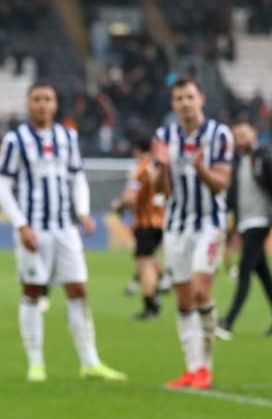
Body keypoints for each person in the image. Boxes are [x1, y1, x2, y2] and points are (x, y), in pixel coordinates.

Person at [0, 83, 126, 383]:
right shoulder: (15, 140)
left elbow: (77, 177)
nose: (42, 104)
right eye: (37, 99)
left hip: (65, 228)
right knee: (32, 291)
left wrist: (82, 211)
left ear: (55, 104)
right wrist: (21, 223)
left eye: (48, 99)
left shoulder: (68, 137)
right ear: (29, 104)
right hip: (34, 229)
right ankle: (36, 364)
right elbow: (2, 185)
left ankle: (90, 362)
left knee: (78, 289)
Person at [150, 78, 233, 389]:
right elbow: (161, 191)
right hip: (176, 226)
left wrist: (199, 168)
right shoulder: (163, 136)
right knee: (184, 299)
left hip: (210, 224)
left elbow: (221, 184)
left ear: (202, 99)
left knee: (201, 291)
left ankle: (207, 367)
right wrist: (160, 167)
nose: (185, 103)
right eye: (179, 98)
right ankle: (192, 368)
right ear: (173, 104)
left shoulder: (219, 135)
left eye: (190, 97)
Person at [216, 119, 272, 339]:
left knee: (244, 272)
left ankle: (228, 322)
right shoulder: (239, 162)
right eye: (236, 136)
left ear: (254, 134)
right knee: (263, 275)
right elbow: (233, 196)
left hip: (260, 221)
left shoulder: (264, 157)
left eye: (243, 134)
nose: (240, 139)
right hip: (244, 222)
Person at [112, 137, 166, 320]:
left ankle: (150, 305)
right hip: (161, 221)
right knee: (150, 260)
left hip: (145, 222)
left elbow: (130, 198)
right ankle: (163, 284)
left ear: (136, 149)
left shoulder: (140, 168)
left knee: (144, 264)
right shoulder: (157, 166)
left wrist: (119, 206)